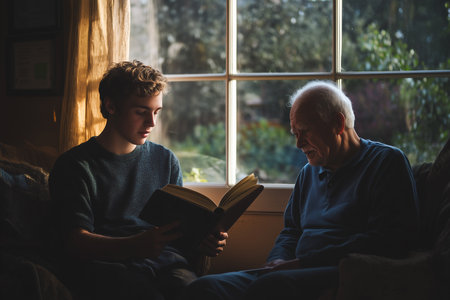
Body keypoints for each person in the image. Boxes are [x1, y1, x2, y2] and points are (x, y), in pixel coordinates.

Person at [181, 81, 419, 300]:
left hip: (340, 270)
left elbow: (388, 239)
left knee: (272, 287)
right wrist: (277, 262)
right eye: (295, 134)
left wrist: (302, 264)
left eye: (305, 132)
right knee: (203, 288)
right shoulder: (308, 173)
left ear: (338, 123)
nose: (298, 144)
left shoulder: (386, 162)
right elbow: (291, 232)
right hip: (290, 271)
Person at [49, 60, 228, 300]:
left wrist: (202, 241)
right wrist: (133, 245)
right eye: (141, 112)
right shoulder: (75, 166)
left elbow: (177, 230)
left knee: (207, 292)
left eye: (156, 112)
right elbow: (74, 241)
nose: (151, 123)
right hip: (107, 268)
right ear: (111, 106)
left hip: (165, 264)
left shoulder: (165, 160)